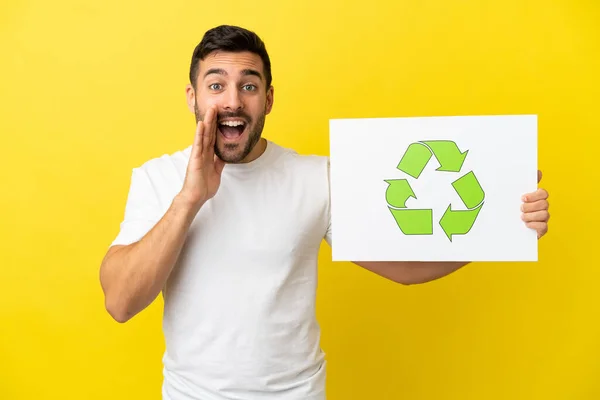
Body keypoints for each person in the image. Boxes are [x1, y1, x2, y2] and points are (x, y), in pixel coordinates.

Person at [99, 25, 551, 400]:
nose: (233, 100)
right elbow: (120, 302)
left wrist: (505, 227)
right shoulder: (158, 179)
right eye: (216, 85)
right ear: (193, 97)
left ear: (268, 99)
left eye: (249, 85)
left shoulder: (317, 177)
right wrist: (190, 198)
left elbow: (405, 267)